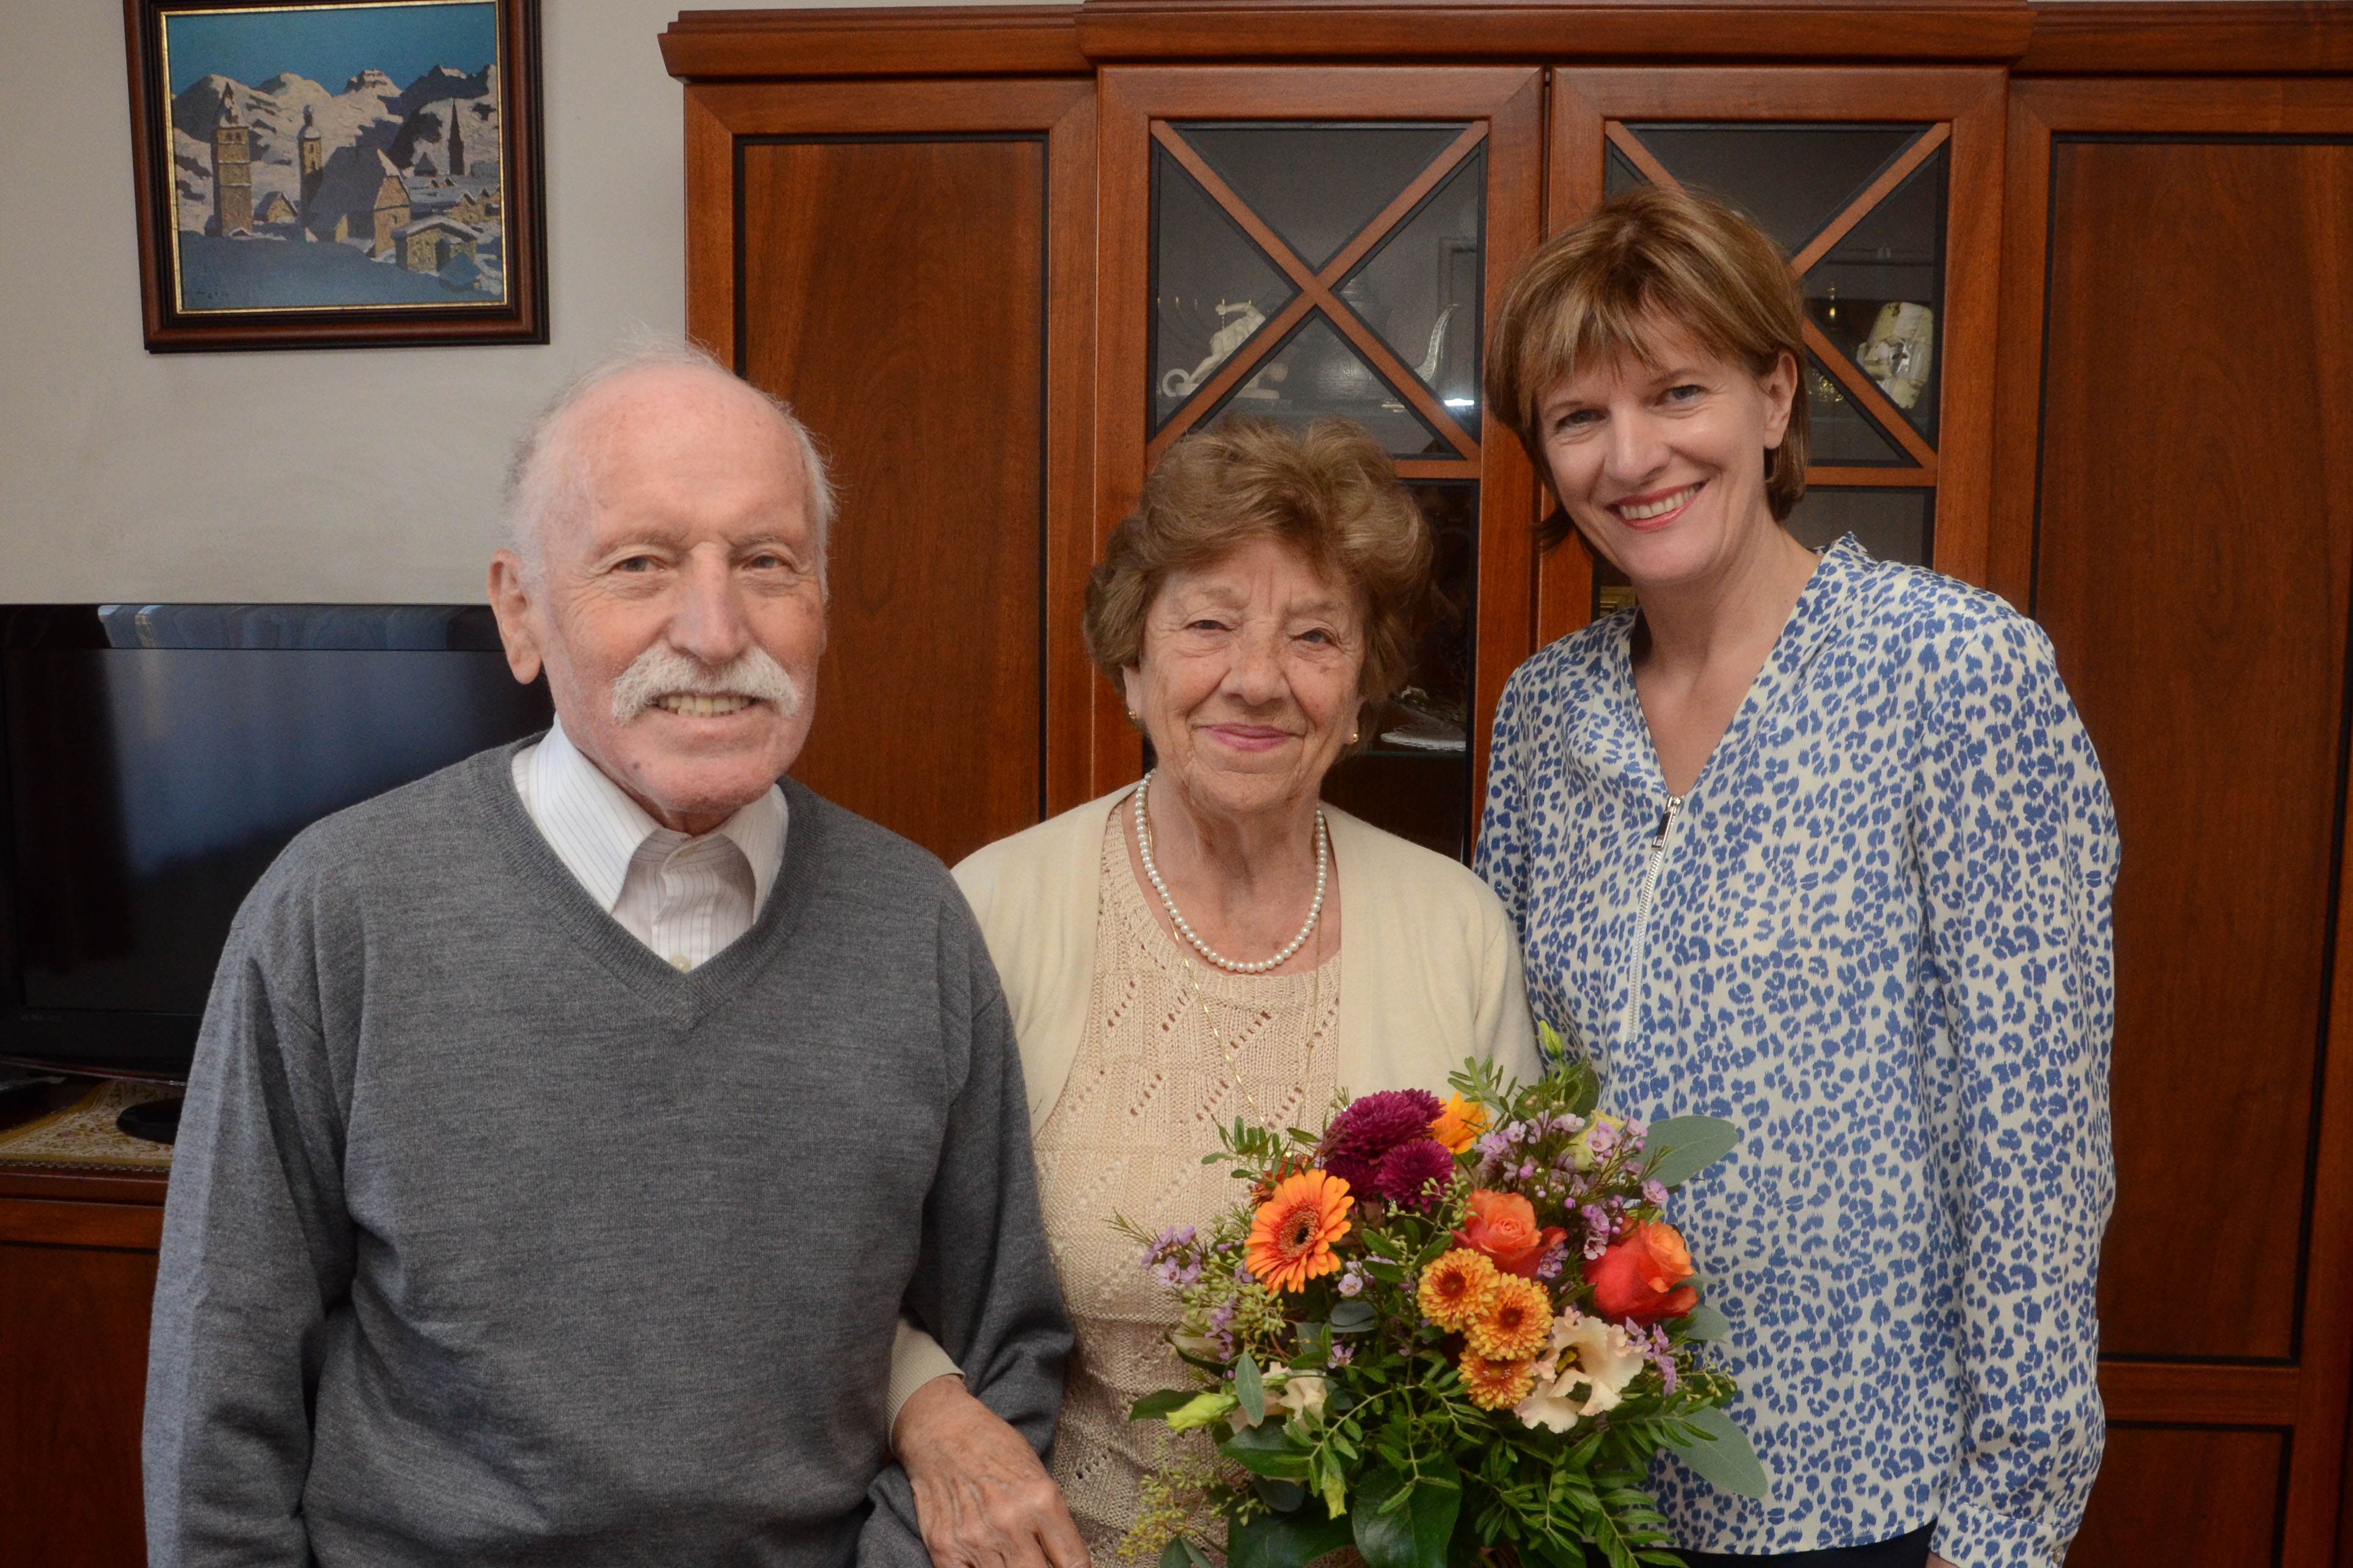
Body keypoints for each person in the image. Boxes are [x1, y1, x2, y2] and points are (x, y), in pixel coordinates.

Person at [142, 339, 1070, 1567]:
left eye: (767, 562)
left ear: (822, 605)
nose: (714, 630)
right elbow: (220, 1402)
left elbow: (1006, 1347)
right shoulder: (338, 911)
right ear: (521, 611)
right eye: (641, 564)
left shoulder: (914, 923)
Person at [1474, 184, 2119, 1568]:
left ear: (1774, 398)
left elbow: (2038, 1137)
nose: (1632, 457)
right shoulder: (1545, 713)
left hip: (1868, 1495)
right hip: (1586, 1478)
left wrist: (2007, 1522)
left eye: (1678, 393)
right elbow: (1512, 1097)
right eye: (1580, 417)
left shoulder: (1954, 670)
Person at [886, 419, 1543, 1561]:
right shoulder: (991, 909)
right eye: (1208, 625)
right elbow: (853, 1258)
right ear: (1133, 665)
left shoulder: (1457, 928)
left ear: (1363, 690)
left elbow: (1514, 1286)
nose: (1257, 680)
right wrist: (932, 1416)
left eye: (1314, 636)